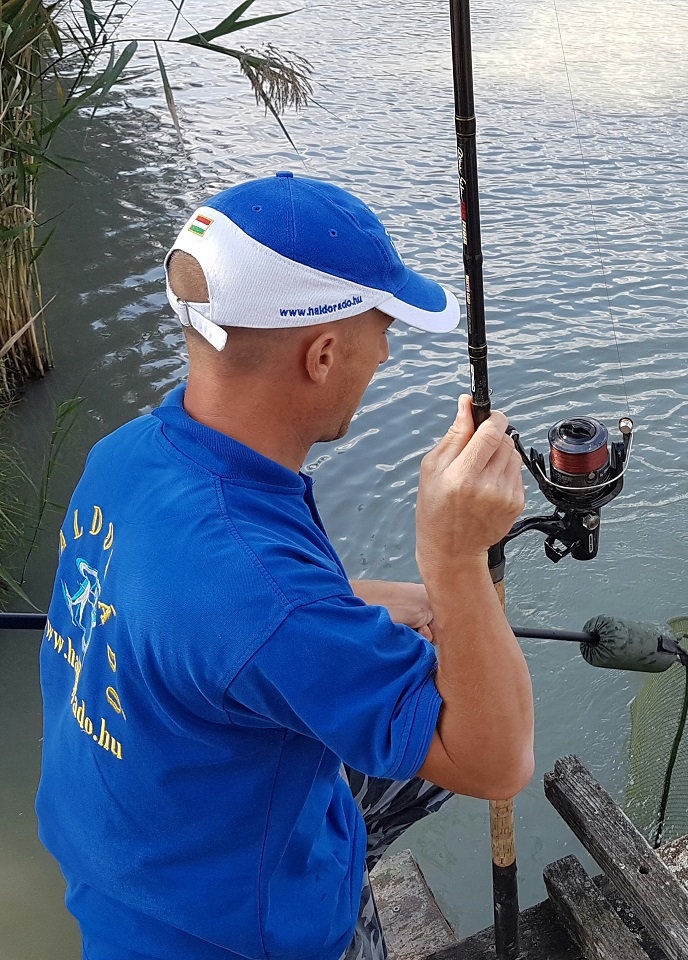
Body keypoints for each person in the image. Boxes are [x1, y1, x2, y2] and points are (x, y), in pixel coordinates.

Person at [36, 171, 534, 960]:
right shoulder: (267, 599)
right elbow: (498, 761)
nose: (385, 351)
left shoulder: (126, 457)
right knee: (461, 711)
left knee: (423, 689)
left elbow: (174, 608)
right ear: (325, 352)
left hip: (127, 882)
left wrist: (366, 604)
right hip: (243, 938)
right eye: (384, 329)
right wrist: (454, 558)